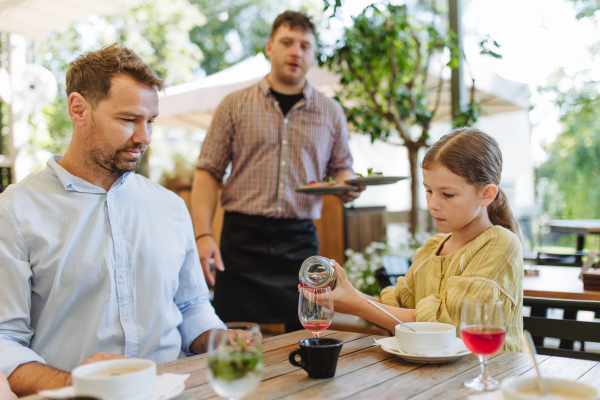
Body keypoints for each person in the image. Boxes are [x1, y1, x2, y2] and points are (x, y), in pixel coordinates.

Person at [0, 44, 227, 397]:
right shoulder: (15, 211)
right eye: (127, 120)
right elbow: (4, 340)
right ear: (78, 109)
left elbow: (191, 305)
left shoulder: (170, 207)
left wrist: (222, 339)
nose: (144, 138)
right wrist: (78, 385)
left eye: (149, 121)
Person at [192, 10, 363, 331]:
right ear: (270, 47)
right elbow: (208, 172)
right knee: (233, 336)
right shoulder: (234, 104)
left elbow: (343, 171)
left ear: (312, 54)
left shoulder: (331, 112)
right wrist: (203, 235)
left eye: (305, 45)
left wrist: (348, 187)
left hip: (299, 241)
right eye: (287, 42)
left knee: (304, 332)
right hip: (240, 241)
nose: (296, 51)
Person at [327, 128, 524, 352]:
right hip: (438, 375)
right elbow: (399, 307)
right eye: (429, 191)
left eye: (447, 194)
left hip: (491, 375)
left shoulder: (499, 243)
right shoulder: (432, 247)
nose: (433, 204)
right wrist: (346, 294)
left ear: (486, 194)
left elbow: (447, 329)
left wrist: (356, 306)